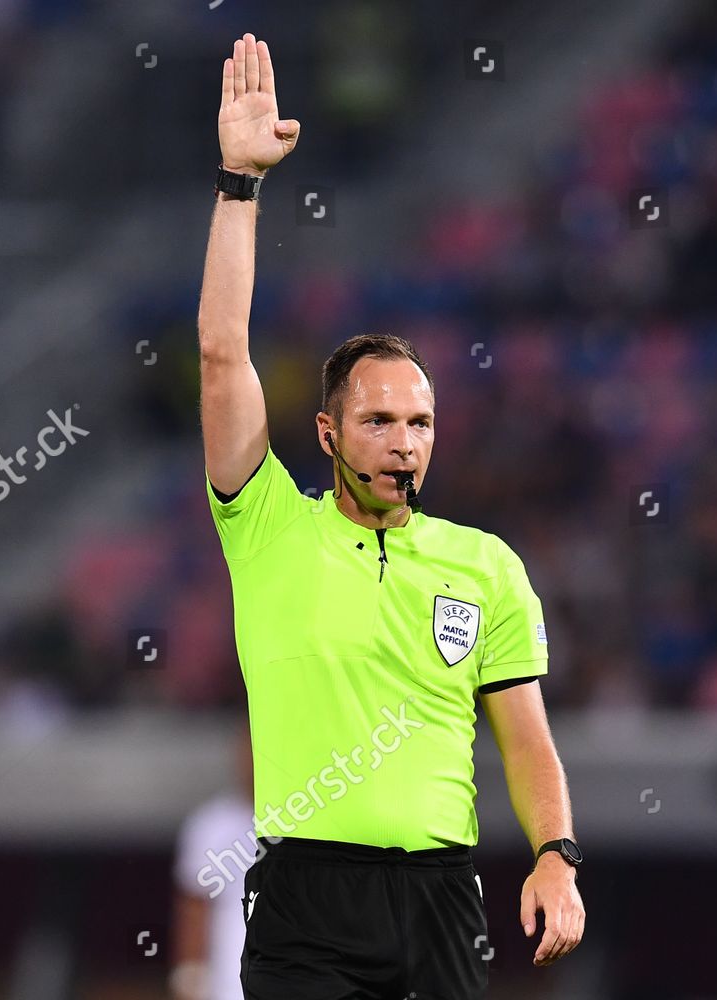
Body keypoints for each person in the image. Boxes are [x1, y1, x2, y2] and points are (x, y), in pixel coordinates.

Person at [198, 34, 584, 999]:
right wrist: (239, 186)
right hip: (305, 899)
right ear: (327, 433)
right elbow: (218, 354)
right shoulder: (267, 524)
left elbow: (526, 736)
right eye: (377, 421)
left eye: (420, 422)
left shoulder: (486, 566)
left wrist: (555, 855)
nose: (403, 442)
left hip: (440, 899)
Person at [169, 718, 256, 1000]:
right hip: (227, 988)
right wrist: (189, 984)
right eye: (247, 750)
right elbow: (193, 910)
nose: (251, 761)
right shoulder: (210, 825)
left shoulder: (308, 824)